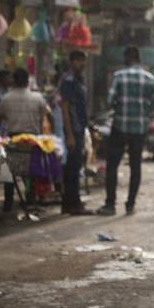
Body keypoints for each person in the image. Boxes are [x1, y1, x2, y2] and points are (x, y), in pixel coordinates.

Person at [97, 46, 154, 216]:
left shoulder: (118, 76)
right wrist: (143, 111)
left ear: (126, 58)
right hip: (139, 128)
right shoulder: (149, 78)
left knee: (113, 166)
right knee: (135, 166)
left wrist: (121, 107)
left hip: (119, 126)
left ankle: (110, 204)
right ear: (138, 59)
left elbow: (110, 101)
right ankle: (130, 204)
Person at [0, 68, 50, 212]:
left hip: (14, 139)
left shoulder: (6, 98)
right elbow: (46, 114)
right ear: (28, 81)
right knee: (32, 171)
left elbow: (0, 116)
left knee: (9, 171)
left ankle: (8, 202)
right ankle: (31, 198)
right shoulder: (37, 98)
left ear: (14, 81)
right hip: (33, 140)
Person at [60, 50, 93, 215]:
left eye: (83, 61)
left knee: (75, 166)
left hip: (80, 127)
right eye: (79, 61)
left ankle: (71, 202)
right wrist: (70, 134)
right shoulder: (68, 80)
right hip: (73, 129)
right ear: (72, 61)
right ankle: (72, 204)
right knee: (73, 167)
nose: (82, 64)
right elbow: (65, 108)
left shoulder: (79, 79)